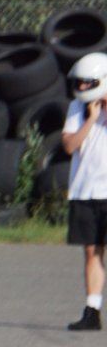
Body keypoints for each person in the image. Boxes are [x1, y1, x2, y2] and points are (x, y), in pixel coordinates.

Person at [62, 52, 107, 331]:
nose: (81, 89)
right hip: (84, 190)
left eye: (87, 84)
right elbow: (69, 146)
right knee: (92, 251)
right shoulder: (76, 110)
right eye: (79, 84)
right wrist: (90, 119)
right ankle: (92, 309)